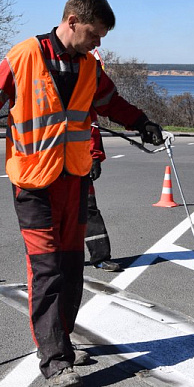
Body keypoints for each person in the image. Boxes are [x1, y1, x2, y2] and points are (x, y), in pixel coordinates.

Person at [0, 0, 163, 387]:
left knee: (70, 269)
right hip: (34, 183)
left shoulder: (89, 67)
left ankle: (61, 340)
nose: (98, 43)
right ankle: (54, 362)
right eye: (94, 34)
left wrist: (142, 122)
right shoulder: (23, 57)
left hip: (74, 179)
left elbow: (110, 102)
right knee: (46, 270)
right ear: (71, 21)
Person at [86, 114, 121, 272]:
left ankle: (100, 258)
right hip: (44, 167)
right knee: (50, 216)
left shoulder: (81, 94)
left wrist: (95, 157)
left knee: (89, 211)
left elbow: (92, 128)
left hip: (77, 166)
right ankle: (53, 262)